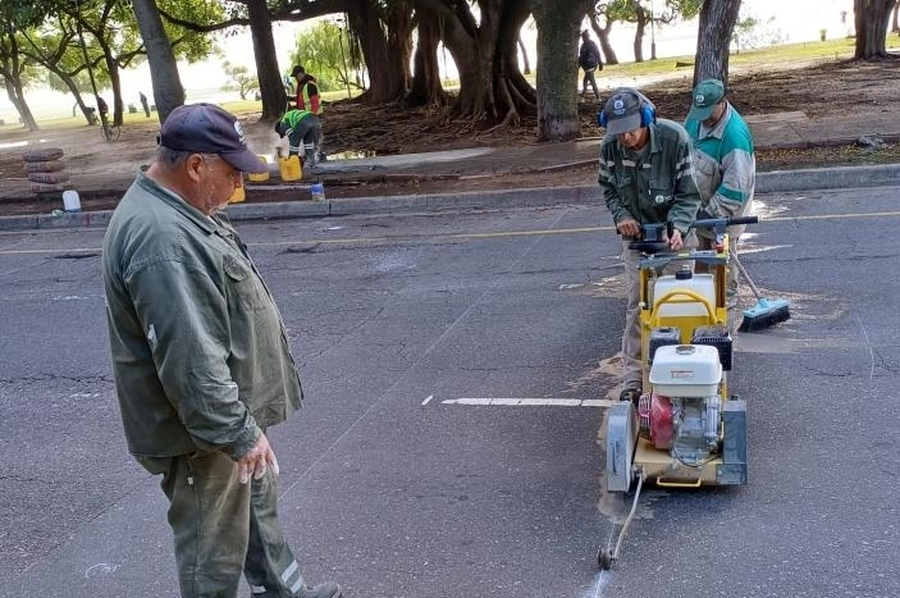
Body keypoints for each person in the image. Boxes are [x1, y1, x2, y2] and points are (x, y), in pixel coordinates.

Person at [101, 103, 342, 598]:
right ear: (195, 166)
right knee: (212, 555)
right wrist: (236, 431)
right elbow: (190, 357)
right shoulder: (161, 237)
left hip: (226, 421)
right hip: (202, 436)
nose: (239, 186)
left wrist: (243, 428)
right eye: (232, 173)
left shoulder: (182, 210)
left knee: (256, 519)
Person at [597, 88, 702, 404]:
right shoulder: (610, 148)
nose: (625, 138)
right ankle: (633, 380)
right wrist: (621, 215)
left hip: (674, 239)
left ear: (645, 119)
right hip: (637, 242)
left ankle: (682, 375)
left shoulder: (675, 139)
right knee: (638, 308)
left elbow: (688, 194)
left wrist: (679, 226)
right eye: (618, 132)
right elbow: (609, 188)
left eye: (631, 129)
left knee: (678, 304)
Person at [683, 78, 755, 301]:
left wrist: (710, 216)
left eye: (707, 112)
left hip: (725, 212)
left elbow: (735, 190)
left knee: (721, 264)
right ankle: (701, 305)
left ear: (722, 103)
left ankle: (726, 306)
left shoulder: (735, 137)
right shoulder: (696, 118)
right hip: (700, 205)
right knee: (701, 268)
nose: (702, 119)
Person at [578, 30, 602, 101]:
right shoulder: (583, 45)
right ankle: (582, 96)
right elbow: (582, 56)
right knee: (585, 81)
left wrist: (600, 63)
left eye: (584, 36)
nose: (584, 38)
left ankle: (598, 97)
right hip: (586, 66)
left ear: (587, 36)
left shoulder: (591, 44)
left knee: (592, 82)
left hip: (590, 65)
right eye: (583, 37)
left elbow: (597, 54)